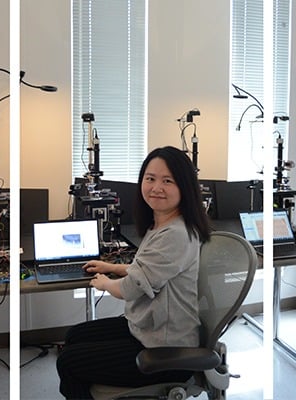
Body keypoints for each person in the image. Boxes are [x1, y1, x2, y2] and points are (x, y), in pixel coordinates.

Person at [56, 146, 211, 399]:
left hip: (165, 350)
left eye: (167, 181)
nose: (156, 187)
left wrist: (105, 283)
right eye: (150, 179)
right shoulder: (163, 224)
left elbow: (129, 289)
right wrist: (113, 267)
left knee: (68, 362)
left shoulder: (175, 234)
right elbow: (149, 271)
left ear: (185, 187)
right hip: (147, 328)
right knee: (74, 336)